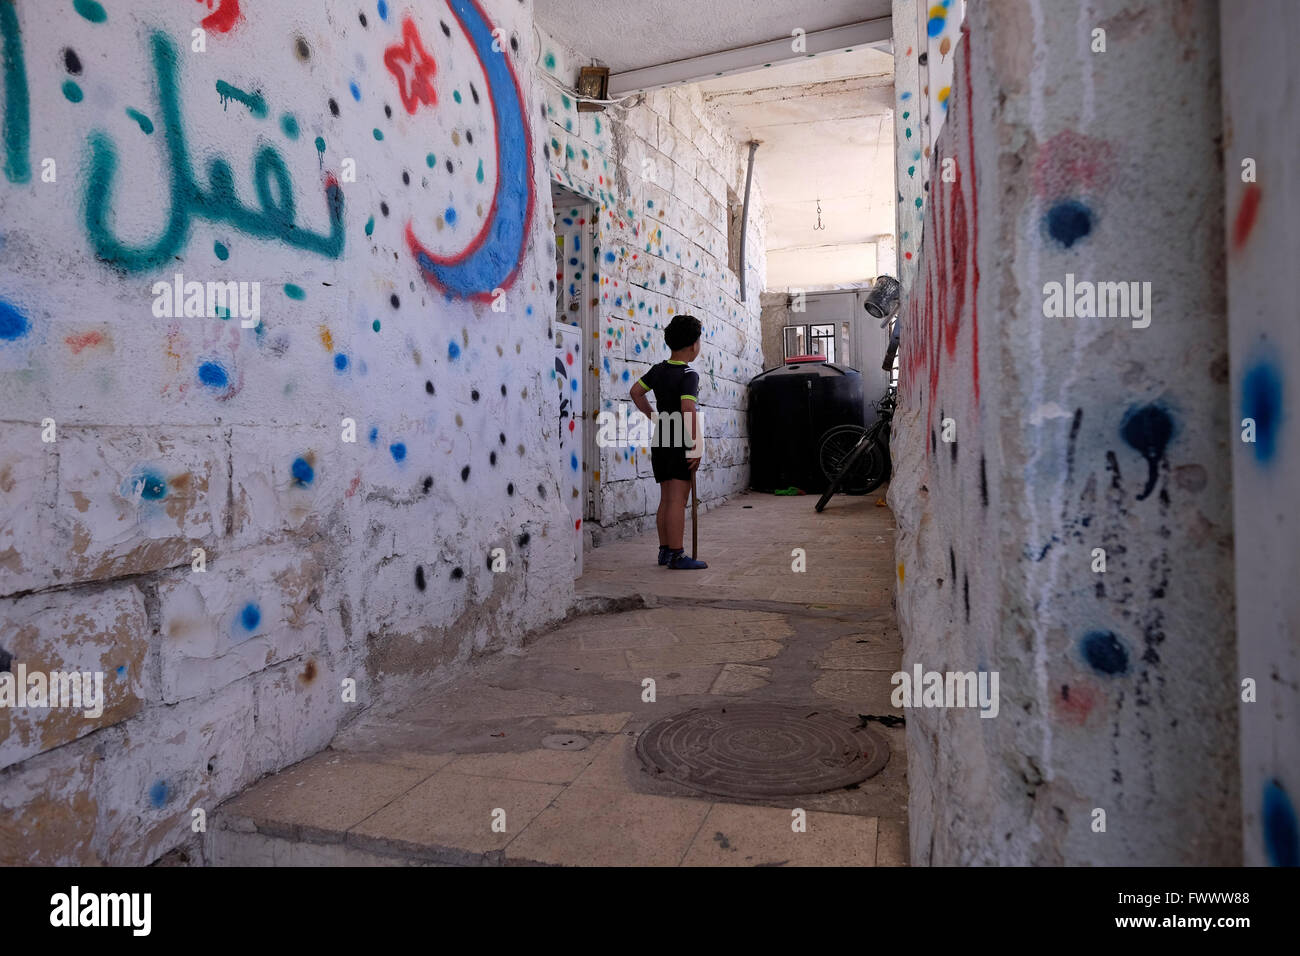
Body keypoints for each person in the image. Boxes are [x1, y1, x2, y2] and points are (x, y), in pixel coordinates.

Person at [629, 314, 708, 570]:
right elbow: (688, 409)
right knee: (677, 500)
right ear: (694, 345)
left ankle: (665, 550)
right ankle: (677, 554)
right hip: (679, 439)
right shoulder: (688, 374)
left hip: (662, 434)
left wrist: (654, 417)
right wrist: (695, 445)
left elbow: (635, 392)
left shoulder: (659, 369)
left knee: (666, 498)